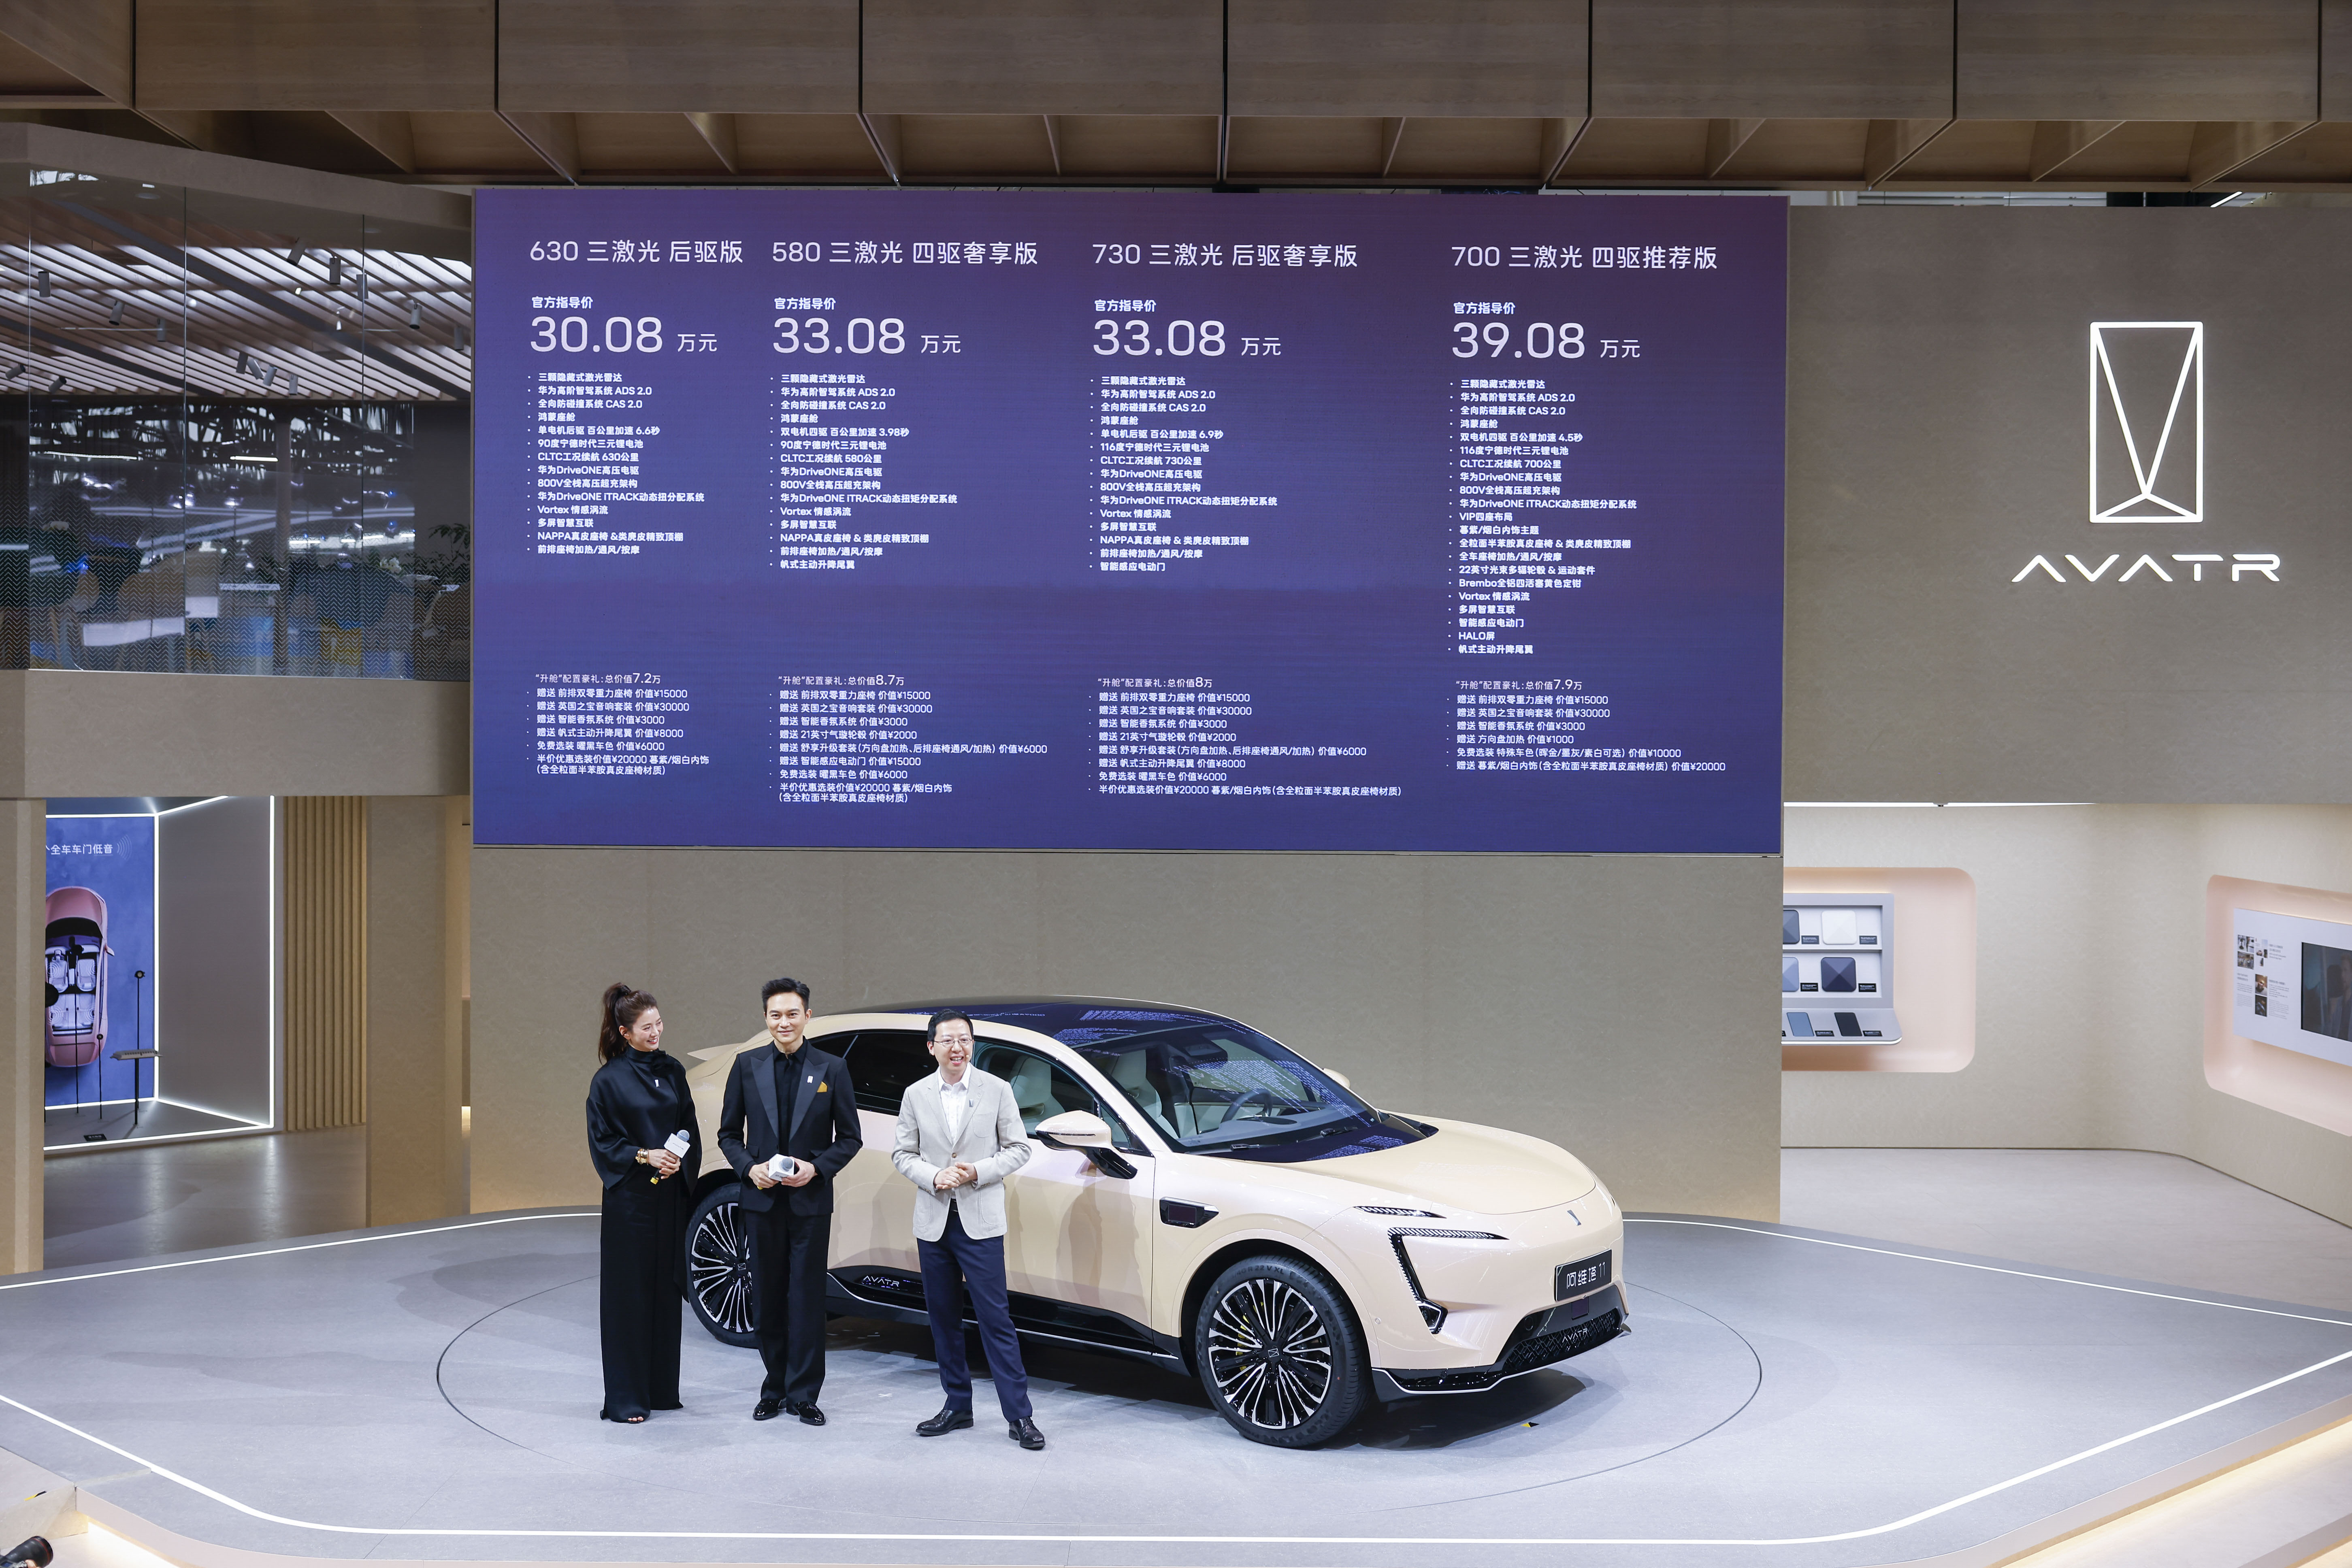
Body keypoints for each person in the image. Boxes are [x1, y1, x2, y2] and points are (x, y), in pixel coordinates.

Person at [891, 1010, 1045, 1450]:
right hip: (934, 1221)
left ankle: (1020, 1416)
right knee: (943, 1319)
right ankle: (957, 1405)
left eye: (964, 1039)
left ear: (972, 1044)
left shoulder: (997, 1090)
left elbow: (1019, 1149)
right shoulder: (916, 1094)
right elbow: (902, 1153)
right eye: (947, 1040)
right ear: (931, 1047)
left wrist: (977, 1170)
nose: (957, 1047)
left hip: (980, 1221)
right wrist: (933, 1175)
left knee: (996, 1319)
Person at [716, 977, 863, 1425]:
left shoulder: (832, 1067)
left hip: (810, 1202)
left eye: (793, 1013)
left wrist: (816, 1168)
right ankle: (773, 1387)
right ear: (766, 1017)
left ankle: (804, 1394)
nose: (785, 1022)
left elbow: (850, 1138)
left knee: (806, 1299)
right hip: (761, 1200)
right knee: (766, 1299)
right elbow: (728, 1134)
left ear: (807, 1016)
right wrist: (749, 1168)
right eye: (776, 1014)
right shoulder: (746, 1065)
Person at [584, 983, 700, 1424]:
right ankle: (626, 1398)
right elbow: (603, 1142)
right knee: (628, 1296)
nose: (656, 1033)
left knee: (665, 1292)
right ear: (625, 1032)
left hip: (669, 1197)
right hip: (630, 1203)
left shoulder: (672, 1070)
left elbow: (689, 1126)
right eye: (647, 1027)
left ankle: (661, 1390)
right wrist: (645, 1155)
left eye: (659, 1024)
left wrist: (678, 1160)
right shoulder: (608, 1081)